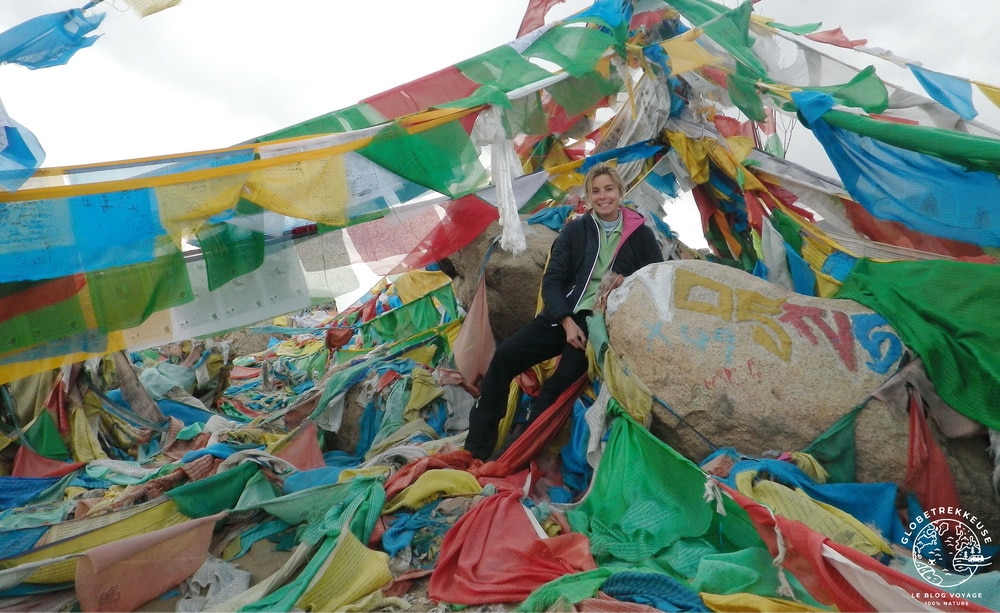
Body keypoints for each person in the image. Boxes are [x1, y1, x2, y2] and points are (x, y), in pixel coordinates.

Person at [465, 162, 664, 461]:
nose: (603, 196)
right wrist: (566, 320)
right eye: (595, 191)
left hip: (601, 324)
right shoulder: (576, 231)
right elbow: (553, 280)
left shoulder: (642, 236)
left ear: (620, 191)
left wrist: (628, 281)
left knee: (559, 384)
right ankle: (476, 449)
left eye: (609, 189)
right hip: (563, 316)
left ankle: (517, 455)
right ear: (588, 196)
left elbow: (655, 279)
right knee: (505, 356)